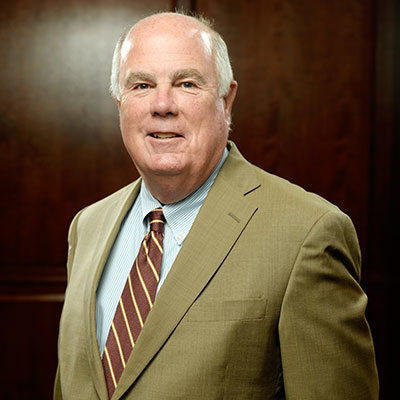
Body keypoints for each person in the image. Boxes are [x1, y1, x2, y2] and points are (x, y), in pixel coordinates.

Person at [54, 11, 379, 400]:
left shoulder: (308, 233)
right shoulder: (88, 226)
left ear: (226, 101)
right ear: (120, 104)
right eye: (141, 85)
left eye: (187, 84)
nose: (162, 104)